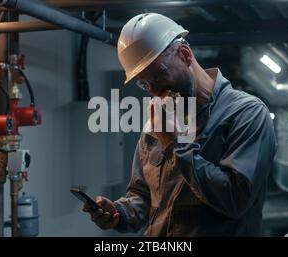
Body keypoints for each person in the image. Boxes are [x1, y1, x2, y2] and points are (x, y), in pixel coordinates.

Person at [82, 13, 277, 236]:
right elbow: (144, 196)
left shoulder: (246, 113)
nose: (155, 91)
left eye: (160, 74)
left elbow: (235, 200)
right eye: (145, 84)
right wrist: (119, 213)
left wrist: (175, 145)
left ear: (184, 55)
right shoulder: (158, 122)